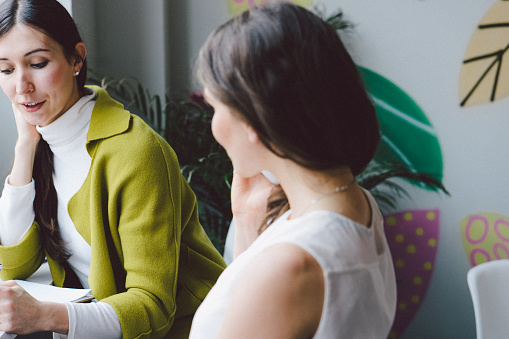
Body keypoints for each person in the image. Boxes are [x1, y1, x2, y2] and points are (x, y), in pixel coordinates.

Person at [0, 0, 226, 338]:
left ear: (76, 58)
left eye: (38, 63)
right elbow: (15, 265)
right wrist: (25, 146)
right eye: (6, 70)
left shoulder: (135, 152)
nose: (21, 86)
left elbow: (153, 306)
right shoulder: (44, 142)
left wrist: (47, 316)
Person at [189, 2, 397, 338]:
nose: (212, 126)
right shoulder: (358, 205)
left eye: (214, 107)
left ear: (251, 119)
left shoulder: (288, 266)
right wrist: (244, 219)